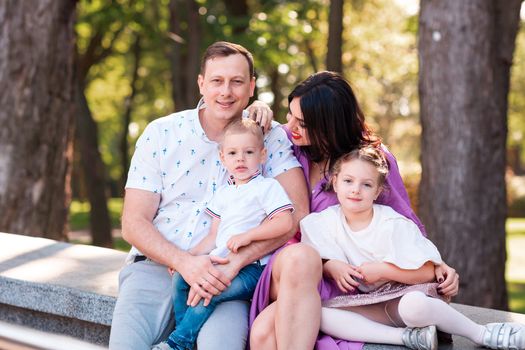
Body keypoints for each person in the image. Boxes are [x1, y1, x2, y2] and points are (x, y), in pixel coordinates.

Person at [109, 41, 309, 350]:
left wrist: (235, 263)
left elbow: (298, 214)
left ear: (252, 86)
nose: (226, 91)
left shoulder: (269, 138)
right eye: (217, 81)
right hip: (156, 266)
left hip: (228, 274)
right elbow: (133, 222)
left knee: (221, 345)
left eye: (237, 81)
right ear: (202, 83)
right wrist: (185, 263)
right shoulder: (161, 133)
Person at [249, 71, 460, 350]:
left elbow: (403, 222)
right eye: (289, 116)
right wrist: (258, 108)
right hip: (294, 268)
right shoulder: (290, 148)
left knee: (265, 331)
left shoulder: (369, 161)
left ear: (329, 125)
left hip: (342, 278)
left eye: (301, 122)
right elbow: (243, 142)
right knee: (301, 259)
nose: (290, 127)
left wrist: (435, 263)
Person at [301, 145, 525, 350]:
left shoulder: (392, 223)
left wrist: (382, 271)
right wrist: (331, 266)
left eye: (366, 184)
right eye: (348, 181)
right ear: (335, 181)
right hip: (370, 305)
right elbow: (315, 259)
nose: (355, 190)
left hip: (405, 296)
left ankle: (482, 333)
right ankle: (406, 338)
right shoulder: (323, 222)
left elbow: (427, 272)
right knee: (320, 314)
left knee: (413, 306)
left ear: (378, 192)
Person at [153, 118, 294, 350]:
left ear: (262, 155)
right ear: (223, 158)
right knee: (181, 279)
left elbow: (284, 222)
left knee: (209, 289)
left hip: (253, 268)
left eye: (248, 152)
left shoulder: (266, 187)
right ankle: (184, 335)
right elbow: (213, 237)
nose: (240, 158)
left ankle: (177, 343)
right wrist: (187, 257)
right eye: (233, 153)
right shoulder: (224, 194)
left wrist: (249, 235)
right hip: (222, 261)